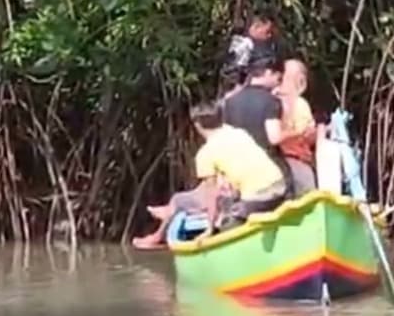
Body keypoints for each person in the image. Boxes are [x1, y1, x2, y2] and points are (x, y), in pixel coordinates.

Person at [132, 101, 288, 248]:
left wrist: (210, 229)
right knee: (184, 200)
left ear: (197, 125)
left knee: (227, 225)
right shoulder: (239, 133)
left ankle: (165, 222)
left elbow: (210, 196)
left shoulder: (206, 154)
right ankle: (168, 214)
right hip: (280, 186)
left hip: (257, 197)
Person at [220, 55, 294, 195]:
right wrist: (297, 131)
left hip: (236, 165)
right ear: (268, 72)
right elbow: (274, 137)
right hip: (268, 165)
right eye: (278, 78)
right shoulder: (271, 101)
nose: (278, 83)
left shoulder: (230, 101)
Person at [276, 58, 317, 193]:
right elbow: (306, 135)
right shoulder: (299, 104)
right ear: (301, 83)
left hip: (272, 166)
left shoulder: (268, 102)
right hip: (296, 162)